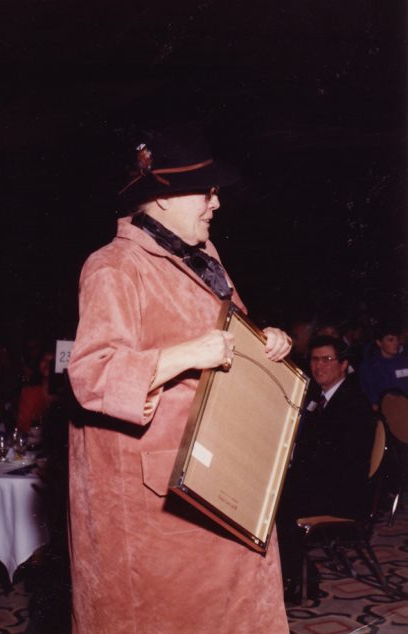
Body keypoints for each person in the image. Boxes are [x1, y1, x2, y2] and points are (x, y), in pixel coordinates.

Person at [67, 126, 293, 633]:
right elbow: (92, 372)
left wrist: (267, 343)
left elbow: (232, 341)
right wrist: (187, 355)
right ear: (162, 198)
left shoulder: (205, 259)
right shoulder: (113, 266)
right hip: (160, 513)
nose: (216, 203)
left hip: (224, 485)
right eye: (205, 190)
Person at [277, 335, 375, 601]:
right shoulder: (318, 398)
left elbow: (342, 464)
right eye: (315, 359)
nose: (319, 366)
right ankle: (296, 575)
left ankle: (296, 581)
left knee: (278, 502)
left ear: (344, 364)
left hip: (346, 495)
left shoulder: (353, 404)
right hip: (325, 485)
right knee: (271, 493)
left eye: (327, 359)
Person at [359, 322, 408, 409]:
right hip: (385, 413)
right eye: (391, 340)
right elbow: (372, 400)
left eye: (397, 339)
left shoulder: (405, 361)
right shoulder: (369, 367)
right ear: (379, 343)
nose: (396, 343)